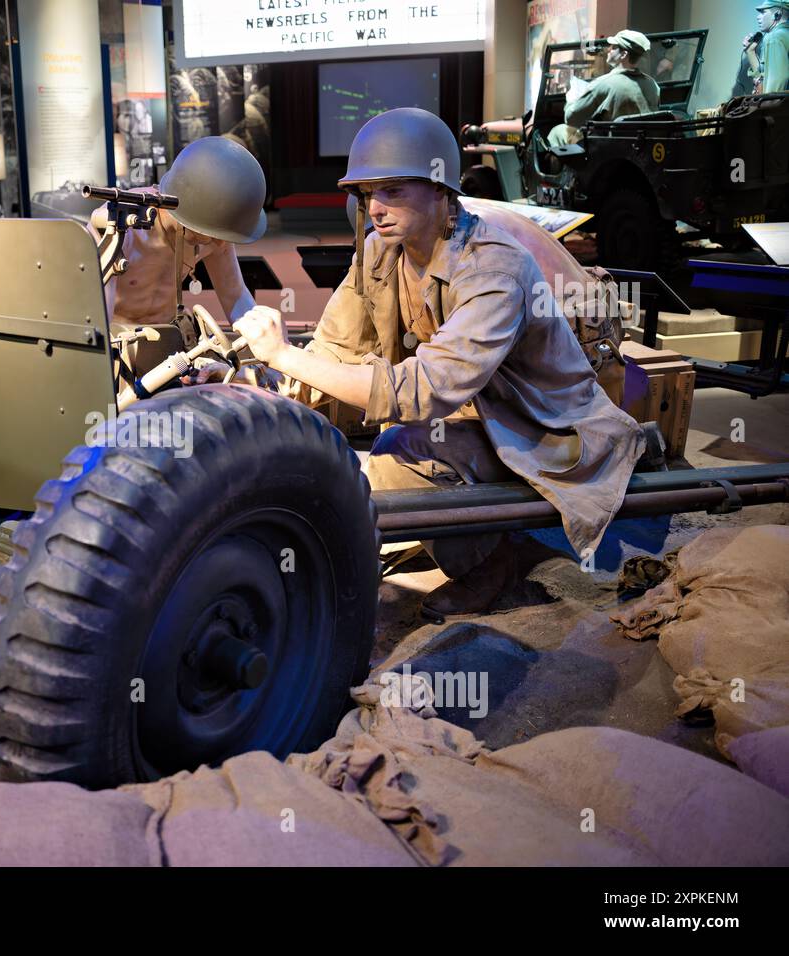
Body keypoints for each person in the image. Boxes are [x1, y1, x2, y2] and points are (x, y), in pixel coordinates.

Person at [229, 108, 645, 622]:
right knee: (379, 446)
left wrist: (284, 355)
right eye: (365, 195)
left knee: (396, 455)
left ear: (440, 189)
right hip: (469, 412)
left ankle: (488, 567)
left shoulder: (495, 268)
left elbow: (424, 391)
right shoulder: (383, 250)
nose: (375, 209)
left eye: (393, 191)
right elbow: (335, 344)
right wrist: (263, 383)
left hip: (541, 428)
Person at [90, 135, 265, 327]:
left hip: (169, 337)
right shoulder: (124, 225)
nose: (218, 241)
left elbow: (236, 296)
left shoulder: (213, 230)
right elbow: (98, 315)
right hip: (119, 339)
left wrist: (269, 346)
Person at [548, 30, 660, 147]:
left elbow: (571, 118)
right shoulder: (653, 85)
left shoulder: (604, 84)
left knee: (558, 131)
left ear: (624, 54)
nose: (608, 49)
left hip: (607, 149)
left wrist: (571, 99)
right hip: (641, 147)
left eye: (614, 47)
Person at [755, 2, 789, 93]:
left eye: (763, 12)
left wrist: (765, 105)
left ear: (777, 14)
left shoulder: (774, 38)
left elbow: (778, 79)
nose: (758, 17)